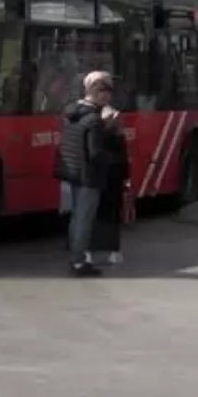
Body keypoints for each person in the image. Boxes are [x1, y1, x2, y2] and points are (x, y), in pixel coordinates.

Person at [55, 71, 115, 277]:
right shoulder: (93, 120)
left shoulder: (71, 112)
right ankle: (79, 261)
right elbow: (95, 153)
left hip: (72, 173)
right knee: (84, 219)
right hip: (89, 176)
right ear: (98, 95)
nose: (108, 97)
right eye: (105, 92)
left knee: (76, 217)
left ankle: (76, 256)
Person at [90, 104, 130, 265]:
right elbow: (124, 161)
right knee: (112, 217)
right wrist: (126, 179)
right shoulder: (118, 138)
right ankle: (113, 251)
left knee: (94, 215)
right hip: (114, 181)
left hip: (98, 180)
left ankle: (90, 252)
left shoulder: (96, 136)